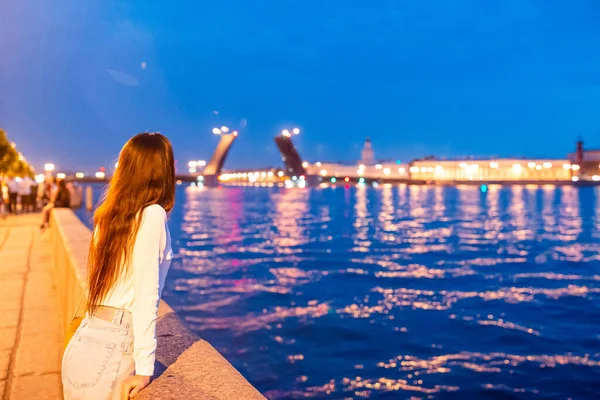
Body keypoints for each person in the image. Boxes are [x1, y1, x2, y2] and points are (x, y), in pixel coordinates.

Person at [62, 133, 175, 400]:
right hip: (112, 348)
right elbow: (146, 296)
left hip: (84, 340)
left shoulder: (107, 216)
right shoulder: (152, 214)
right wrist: (145, 368)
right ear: (162, 171)